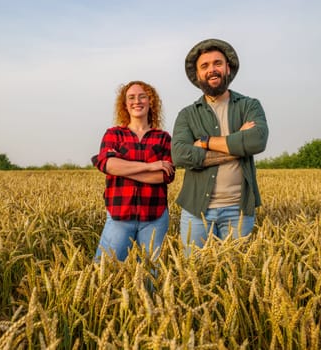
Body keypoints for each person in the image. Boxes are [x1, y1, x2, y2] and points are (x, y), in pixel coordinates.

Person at [171, 38, 268, 254]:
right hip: (196, 210)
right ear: (197, 75)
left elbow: (257, 140)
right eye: (204, 66)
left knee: (237, 276)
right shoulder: (187, 114)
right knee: (192, 270)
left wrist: (205, 142)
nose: (211, 70)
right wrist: (238, 146)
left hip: (239, 210)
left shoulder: (249, 105)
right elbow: (179, 155)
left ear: (228, 68)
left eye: (217, 63)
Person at [92, 80, 175, 261]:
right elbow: (108, 165)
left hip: (155, 218)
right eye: (131, 97)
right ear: (125, 105)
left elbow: (164, 175)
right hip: (119, 216)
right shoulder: (114, 134)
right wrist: (150, 166)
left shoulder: (163, 138)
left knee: (149, 278)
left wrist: (123, 167)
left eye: (142, 96)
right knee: (104, 272)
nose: (137, 101)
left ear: (150, 101)